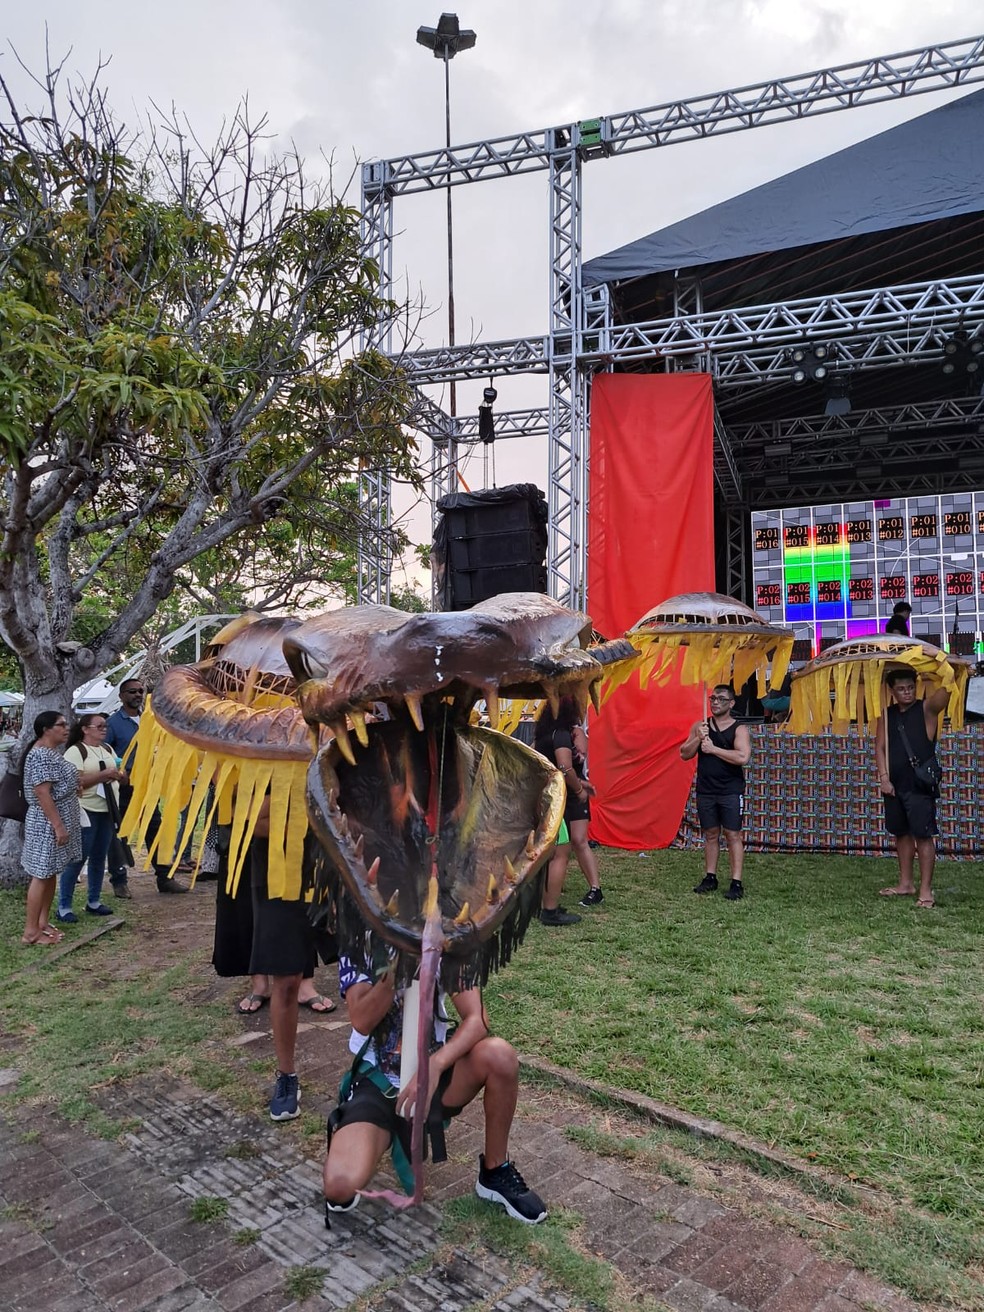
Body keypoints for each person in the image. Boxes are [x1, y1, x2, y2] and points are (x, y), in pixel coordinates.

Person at [322, 938, 547, 1225]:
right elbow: (362, 1020)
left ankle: (495, 1171)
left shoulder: (446, 938)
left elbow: (477, 1019)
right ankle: (372, 1131)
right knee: (339, 1186)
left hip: (433, 1070)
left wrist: (436, 1065)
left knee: (499, 1055)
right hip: (378, 1080)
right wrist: (396, 970)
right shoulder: (360, 936)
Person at [19, 711, 110, 945]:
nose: (66, 727)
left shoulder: (52, 753)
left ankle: (42, 922)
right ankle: (31, 932)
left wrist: (73, 786)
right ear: (45, 730)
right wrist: (58, 826)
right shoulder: (40, 755)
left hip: (58, 818)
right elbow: (42, 792)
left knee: (50, 873)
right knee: (41, 874)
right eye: (60, 725)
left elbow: (59, 782)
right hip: (46, 823)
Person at [875, 668, 949, 909]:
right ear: (892, 691)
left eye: (910, 687)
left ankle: (926, 890)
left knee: (923, 836)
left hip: (919, 785)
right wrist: (884, 778)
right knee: (902, 834)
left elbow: (943, 697)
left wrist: (952, 673)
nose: (907, 692)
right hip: (895, 785)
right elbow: (880, 747)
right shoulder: (887, 715)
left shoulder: (925, 709)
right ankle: (905, 883)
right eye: (901, 689)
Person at [106, 678, 187, 894]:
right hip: (123, 787)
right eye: (132, 691)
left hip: (148, 787)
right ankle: (119, 881)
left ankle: (165, 878)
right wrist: (119, 772)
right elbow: (104, 753)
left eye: (141, 691)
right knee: (119, 833)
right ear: (121, 695)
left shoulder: (151, 720)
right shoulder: (113, 724)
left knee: (155, 829)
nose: (138, 694)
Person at [680, 684, 752, 901]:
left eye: (721, 699)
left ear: (731, 703)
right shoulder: (701, 725)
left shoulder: (739, 729)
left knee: (733, 835)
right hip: (706, 789)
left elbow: (742, 757)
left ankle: (736, 882)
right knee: (710, 834)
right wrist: (697, 738)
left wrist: (713, 749)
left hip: (730, 790)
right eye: (713, 698)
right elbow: (684, 754)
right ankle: (710, 876)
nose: (715, 702)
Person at [534, 698, 602, 925]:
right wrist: (578, 788)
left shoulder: (544, 735)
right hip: (558, 799)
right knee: (560, 853)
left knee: (558, 849)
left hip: (546, 798)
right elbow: (565, 767)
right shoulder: (560, 734)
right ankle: (550, 910)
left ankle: (552, 901)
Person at [57, 714, 128, 922]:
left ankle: (94, 900)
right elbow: (75, 781)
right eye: (99, 726)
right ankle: (64, 906)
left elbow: (119, 772)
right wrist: (104, 774)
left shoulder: (106, 748)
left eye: (105, 726)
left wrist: (120, 776)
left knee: (99, 856)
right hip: (85, 810)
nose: (104, 729)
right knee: (78, 858)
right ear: (85, 729)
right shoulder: (76, 751)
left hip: (107, 809)